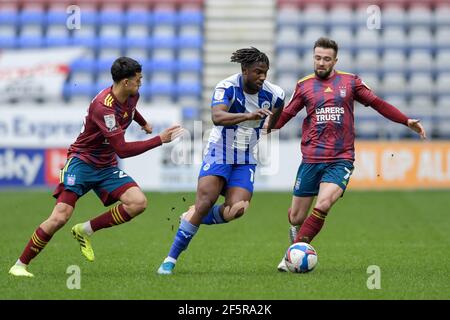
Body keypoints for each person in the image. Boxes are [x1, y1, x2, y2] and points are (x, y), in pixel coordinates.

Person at [8, 57, 184, 277]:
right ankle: (20, 265)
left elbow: (131, 108)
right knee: (61, 216)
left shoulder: (132, 93)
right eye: (138, 80)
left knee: (138, 202)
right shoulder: (104, 108)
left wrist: (142, 122)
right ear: (125, 82)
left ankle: (85, 230)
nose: (141, 83)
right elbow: (122, 149)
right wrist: (159, 139)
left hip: (105, 165)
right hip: (82, 162)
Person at [269, 38, 427, 272]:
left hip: (341, 158)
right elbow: (281, 120)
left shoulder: (350, 82)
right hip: (311, 159)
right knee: (295, 217)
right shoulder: (304, 86)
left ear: (335, 60)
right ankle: (297, 242)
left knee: (323, 204)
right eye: (317, 58)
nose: (321, 62)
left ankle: (293, 255)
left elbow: (377, 103)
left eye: (326, 59)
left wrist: (405, 120)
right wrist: (263, 121)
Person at [157, 47, 285, 275]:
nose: (263, 77)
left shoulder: (275, 94)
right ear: (245, 70)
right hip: (220, 150)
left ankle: (194, 215)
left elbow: (278, 113)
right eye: (258, 72)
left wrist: (269, 126)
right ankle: (170, 259)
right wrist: (248, 116)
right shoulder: (227, 87)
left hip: (245, 157)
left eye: (265, 72)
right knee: (206, 200)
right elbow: (217, 117)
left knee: (237, 209)